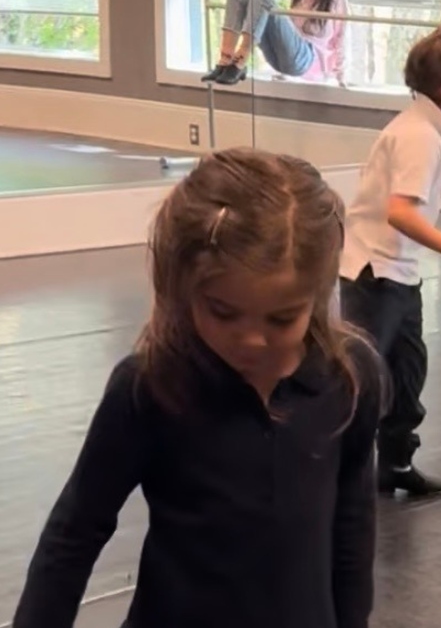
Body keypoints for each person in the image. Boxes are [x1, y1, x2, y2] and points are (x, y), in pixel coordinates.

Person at [13, 149, 380, 628]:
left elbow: (353, 527)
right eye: (223, 313)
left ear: (318, 296)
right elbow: (74, 533)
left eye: (281, 318)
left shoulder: (349, 381)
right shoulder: (151, 387)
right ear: (184, 290)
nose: (252, 339)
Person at [339, 25, 441, 498]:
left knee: (407, 372)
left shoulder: (427, 131)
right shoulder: (420, 137)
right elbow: (401, 212)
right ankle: (340, 473)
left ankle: (395, 464)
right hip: (375, 274)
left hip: (397, 273)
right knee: (362, 377)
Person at [202, 0, 349, 86]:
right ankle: (225, 61)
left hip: (308, 59)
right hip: (280, 57)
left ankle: (239, 61)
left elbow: (341, 37)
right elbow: (287, 34)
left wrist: (340, 76)